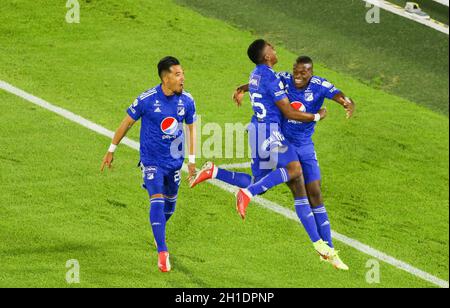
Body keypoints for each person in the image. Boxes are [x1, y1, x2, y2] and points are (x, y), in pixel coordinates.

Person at [190, 40, 334, 260]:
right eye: (272, 49)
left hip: (255, 130)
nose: (275, 50)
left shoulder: (256, 74)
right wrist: (318, 115)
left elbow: (263, 87)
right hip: (268, 131)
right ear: (267, 56)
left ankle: (215, 172)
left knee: (260, 181)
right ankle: (247, 194)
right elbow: (288, 112)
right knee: (294, 170)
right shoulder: (270, 77)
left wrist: (242, 88)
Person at [231, 55, 355, 270]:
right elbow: (262, 83)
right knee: (297, 183)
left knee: (315, 192)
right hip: (282, 141)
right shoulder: (284, 79)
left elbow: (338, 95)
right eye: (296, 71)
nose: (297, 76)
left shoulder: (319, 85)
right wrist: (243, 88)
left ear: (311, 72)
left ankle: (329, 249)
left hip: (304, 145)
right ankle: (321, 246)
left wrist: (346, 102)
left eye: (303, 73)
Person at [101, 56, 197, 273]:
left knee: (170, 205)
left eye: (183, 73)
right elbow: (126, 123)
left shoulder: (187, 101)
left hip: (174, 162)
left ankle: (158, 234)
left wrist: (191, 161)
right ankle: (162, 252)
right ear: (166, 78)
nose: (183, 78)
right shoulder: (147, 99)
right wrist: (111, 149)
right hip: (151, 161)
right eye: (178, 74)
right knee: (157, 198)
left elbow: (192, 129)